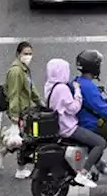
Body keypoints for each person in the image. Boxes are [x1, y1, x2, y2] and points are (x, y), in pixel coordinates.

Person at [43, 58, 100, 188]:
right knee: (100, 143)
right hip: (68, 127)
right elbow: (74, 108)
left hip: (57, 126)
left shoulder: (49, 85)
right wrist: (77, 91)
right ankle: (83, 173)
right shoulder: (62, 88)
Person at [1, 41, 41, 178]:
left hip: (25, 110)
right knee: (25, 141)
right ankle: (20, 169)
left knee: (21, 139)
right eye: (25, 54)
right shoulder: (16, 72)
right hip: (20, 112)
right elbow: (14, 94)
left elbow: (31, 88)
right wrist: (14, 115)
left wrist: (40, 102)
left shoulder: (23, 69)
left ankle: (1, 153)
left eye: (30, 54)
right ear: (18, 54)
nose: (28, 56)